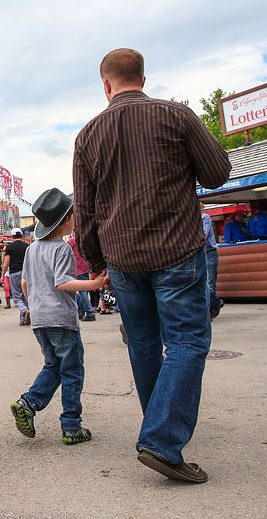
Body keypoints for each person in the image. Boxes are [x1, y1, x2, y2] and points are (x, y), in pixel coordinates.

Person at [73, 48, 231, 483]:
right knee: (186, 341)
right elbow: (218, 172)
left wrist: (96, 262)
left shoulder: (87, 135)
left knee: (143, 344)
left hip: (123, 259)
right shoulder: (176, 116)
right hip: (177, 249)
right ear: (142, 77)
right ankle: (161, 440)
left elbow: (84, 211)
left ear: (106, 84)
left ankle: (157, 427)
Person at [11, 188, 107, 446]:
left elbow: (24, 283)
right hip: (61, 319)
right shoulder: (62, 249)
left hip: (40, 318)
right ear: (65, 220)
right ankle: (71, 425)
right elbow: (63, 282)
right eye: (73, 215)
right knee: (73, 372)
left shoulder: (32, 250)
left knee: (54, 365)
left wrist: (34, 305)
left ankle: (28, 403)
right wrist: (94, 284)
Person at [2, 229, 30, 325]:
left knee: (17, 297)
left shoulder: (9, 247)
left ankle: (25, 310)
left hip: (14, 272)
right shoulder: (27, 246)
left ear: (12, 236)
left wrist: (2, 275)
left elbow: (6, 262)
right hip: (26, 273)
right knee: (25, 295)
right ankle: (23, 320)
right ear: (21, 235)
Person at [67, 232, 96, 321]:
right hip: (87, 267)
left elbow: (67, 255)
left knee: (82, 292)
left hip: (77, 268)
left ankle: (89, 312)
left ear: (73, 232)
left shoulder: (71, 242)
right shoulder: (85, 241)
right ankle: (81, 312)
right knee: (85, 292)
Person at [200, 207, 222, 319]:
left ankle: (210, 312)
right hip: (198, 253)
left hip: (209, 252)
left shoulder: (204, 217)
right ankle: (216, 302)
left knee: (210, 283)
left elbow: (203, 234)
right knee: (201, 283)